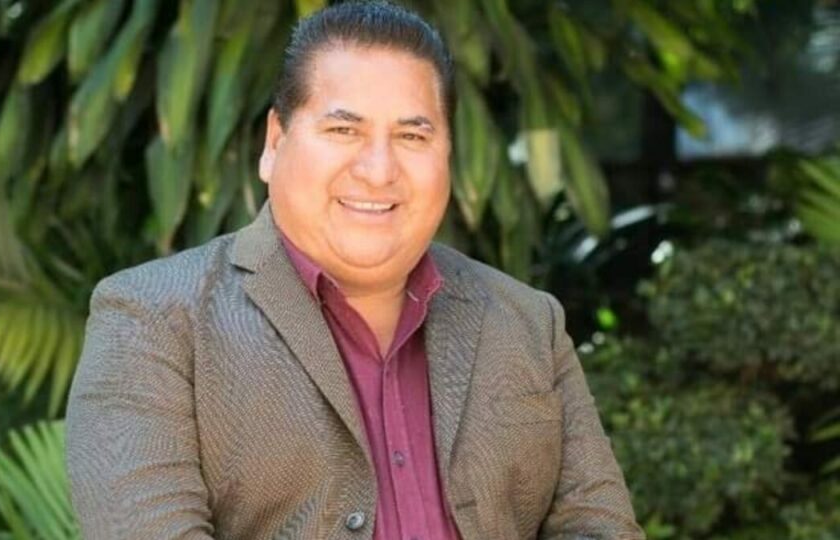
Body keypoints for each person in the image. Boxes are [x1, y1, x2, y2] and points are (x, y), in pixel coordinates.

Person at [65, 2, 643, 539]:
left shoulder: (528, 322)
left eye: (412, 135)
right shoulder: (152, 321)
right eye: (344, 130)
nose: (378, 169)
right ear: (275, 142)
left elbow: (600, 529)